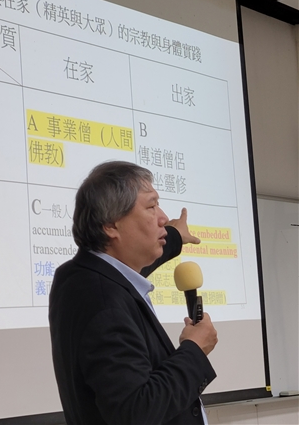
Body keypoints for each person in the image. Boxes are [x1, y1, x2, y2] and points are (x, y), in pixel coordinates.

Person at [49, 161, 218, 425]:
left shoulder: (82, 275)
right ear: (110, 225)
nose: (163, 217)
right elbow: (136, 411)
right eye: (151, 207)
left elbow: (130, 265)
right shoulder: (103, 302)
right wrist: (194, 350)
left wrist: (174, 236)